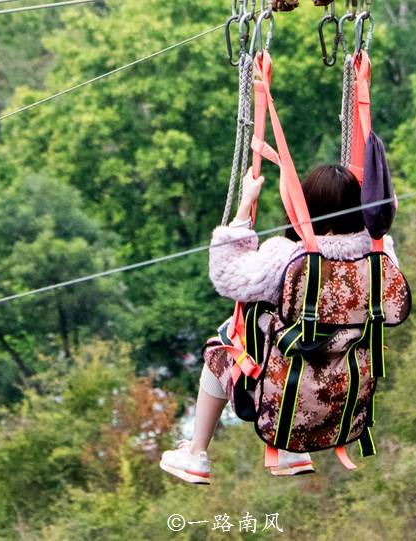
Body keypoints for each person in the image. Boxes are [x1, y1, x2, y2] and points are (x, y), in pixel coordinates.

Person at [159, 164, 397, 485]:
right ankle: (289, 451)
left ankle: (197, 453)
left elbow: (228, 276)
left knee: (221, 344)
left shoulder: (287, 257)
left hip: (284, 403)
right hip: (344, 402)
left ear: (305, 208)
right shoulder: (378, 256)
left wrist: (245, 206)